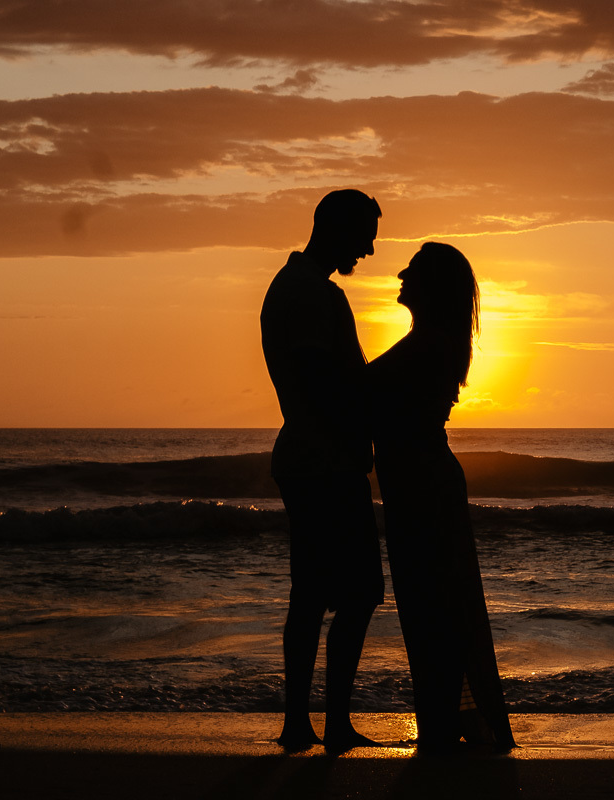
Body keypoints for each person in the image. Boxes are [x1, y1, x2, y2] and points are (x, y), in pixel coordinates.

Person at [368, 242, 516, 753]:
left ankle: (442, 722)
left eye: (414, 271)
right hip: (418, 481)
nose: (402, 275)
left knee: (433, 604)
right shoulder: (428, 339)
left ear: (431, 287)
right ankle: (444, 719)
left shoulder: (430, 343)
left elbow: (364, 392)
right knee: (432, 602)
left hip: (423, 484)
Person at [260, 189, 385, 752]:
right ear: (337, 228)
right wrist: (356, 441)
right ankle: (328, 723)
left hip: (308, 457)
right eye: (366, 236)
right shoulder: (310, 293)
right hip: (323, 461)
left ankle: (302, 723)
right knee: (357, 593)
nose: (371, 250)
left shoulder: (300, 287)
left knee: (311, 593)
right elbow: (318, 381)